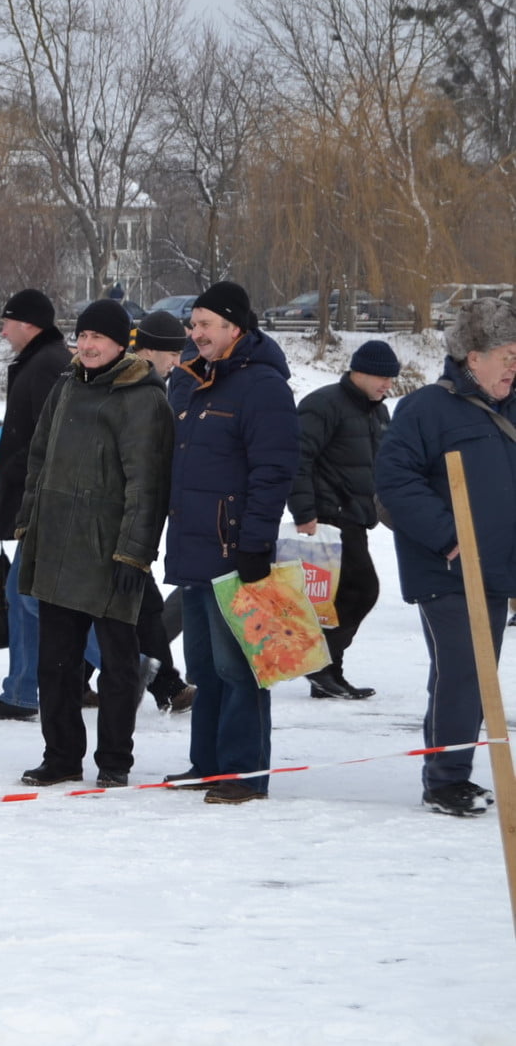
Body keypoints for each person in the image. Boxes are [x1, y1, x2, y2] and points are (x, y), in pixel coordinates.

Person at [13, 300, 173, 788]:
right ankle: (61, 756)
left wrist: (134, 551)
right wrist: (28, 525)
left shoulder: (142, 398)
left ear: (120, 343)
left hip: (110, 551)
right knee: (55, 664)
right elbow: (37, 461)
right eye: (81, 336)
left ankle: (114, 761)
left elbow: (147, 483)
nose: (86, 345)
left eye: (97, 338)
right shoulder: (65, 386)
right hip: (59, 544)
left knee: (118, 665)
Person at [376, 297, 516, 817]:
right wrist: (449, 537)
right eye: (507, 354)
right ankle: (446, 779)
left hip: (499, 565)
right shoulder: (425, 410)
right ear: (473, 357)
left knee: (481, 670)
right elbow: (394, 481)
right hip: (448, 567)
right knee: (464, 669)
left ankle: (453, 769)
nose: (513, 366)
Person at [163, 282, 298, 803]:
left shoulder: (263, 386)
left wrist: (255, 544)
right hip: (194, 550)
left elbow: (274, 471)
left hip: (234, 551)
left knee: (239, 667)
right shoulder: (196, 382)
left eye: (205, 325)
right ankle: (208, 764)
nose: (195, 334)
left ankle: (242, 773)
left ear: (235, 328)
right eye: (193, 325)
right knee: (203, 668)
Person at [0, 289, 71, 722]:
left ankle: (142, 668)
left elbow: (56, 436)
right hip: (29, 494)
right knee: (23, 595)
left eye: (7, 321)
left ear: (28, 323)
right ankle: (22, 690)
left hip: (45, 499)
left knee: (32, 597)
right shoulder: (38, 361)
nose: (1, 329)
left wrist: (32, 484)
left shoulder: (49, 364)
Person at [288, 339, 400, 701]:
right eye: (382, 377)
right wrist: (304, 512)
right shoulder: (323, 404)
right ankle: (319, 665)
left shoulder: (378, 412)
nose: (388, 385)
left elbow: (383, 466)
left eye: (391, 378)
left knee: (335, 600)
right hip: (327, 517)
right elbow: (298, 460)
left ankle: (327, 673)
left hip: (356, 516)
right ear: (358, 371)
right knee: (363, 589)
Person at [129, 311, 195, 714]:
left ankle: (164, 685)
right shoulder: (138, 390)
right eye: (172, 353)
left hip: (139, 520)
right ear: (149, 349)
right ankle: (167, 686)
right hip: (121, 521)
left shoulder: (157, 387)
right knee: (143, 606)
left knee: (141, 604)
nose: (177, 361)